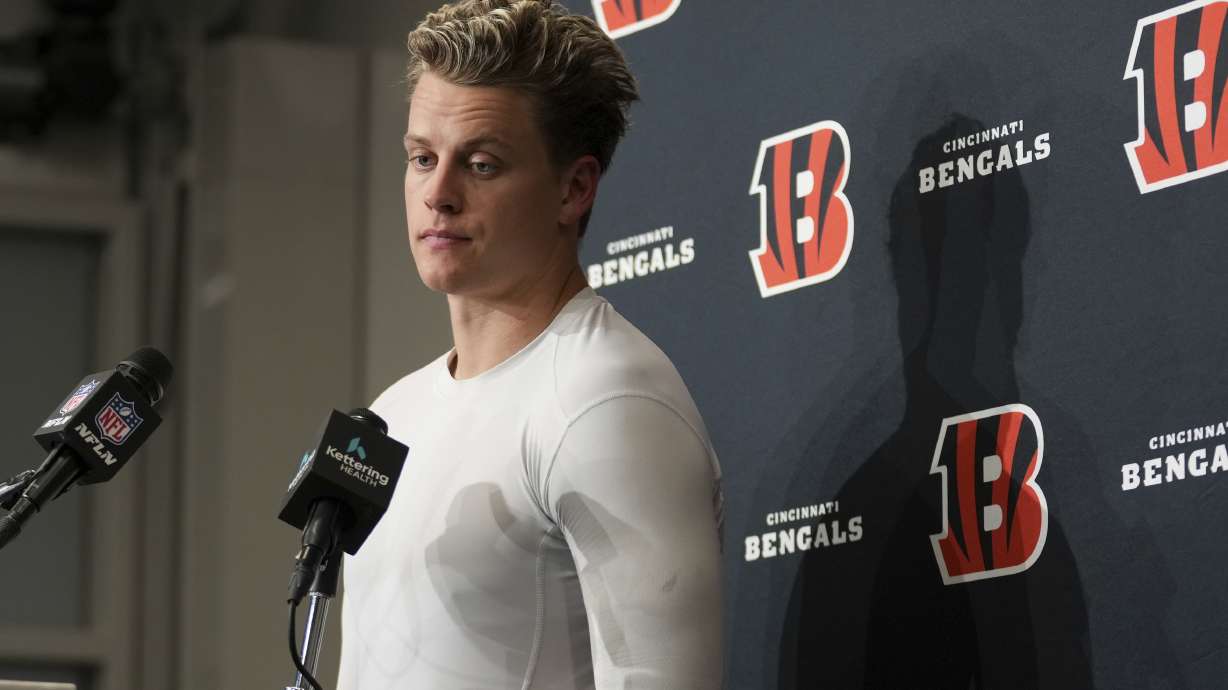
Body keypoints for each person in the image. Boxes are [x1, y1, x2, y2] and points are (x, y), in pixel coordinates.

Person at [336, 2, 724, 688]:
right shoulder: (394, 413)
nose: (438, 194)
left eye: (481, 164)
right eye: (422, 158)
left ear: (574, 189)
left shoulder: (604, 399)